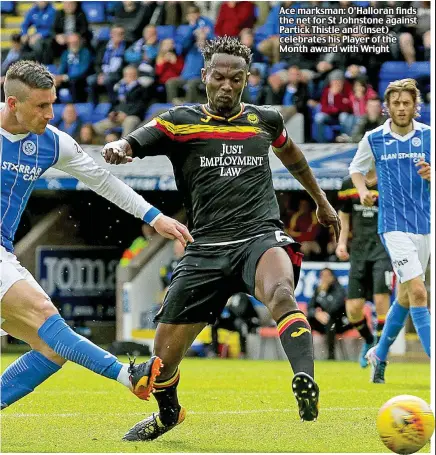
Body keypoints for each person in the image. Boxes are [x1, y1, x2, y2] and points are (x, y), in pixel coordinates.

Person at [102, 36, 341, 440]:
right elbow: (134, 140)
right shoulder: (179, 120)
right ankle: (168, 414)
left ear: (247, 79)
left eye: (236, 79)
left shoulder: (266, 120)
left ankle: (304, 381)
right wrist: (119, 147)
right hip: (205, 250)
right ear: (204, 76)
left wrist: (320, 201)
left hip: (259, 237)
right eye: (219, 77)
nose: (227, 86)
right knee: (161, 362)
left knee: (282, 292)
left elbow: (294, 157)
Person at [0, 61, 193, 413]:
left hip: (4, 252)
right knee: (46, 316)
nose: (51, 114)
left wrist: (155, 216)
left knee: (52, 348)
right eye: (42, 106)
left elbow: (102, 181)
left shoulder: (52, 143)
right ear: (13, 104)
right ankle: (126, 375)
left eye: (53, 103)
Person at [349, 78, 430, 383]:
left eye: (406, 102)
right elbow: (356, 170)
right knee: (419, 292)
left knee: (407, 297)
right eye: (395, 103)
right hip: (393, 226)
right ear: (387, 106)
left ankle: (379, 355)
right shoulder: (374, 138)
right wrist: (361, 191)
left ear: (414, 106)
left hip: (426, 225)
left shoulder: (429, 136)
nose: (400, 108)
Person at [336, 169, 392, 368]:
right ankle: (369, 339)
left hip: (383, 250)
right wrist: (341, 243)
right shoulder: (348, 184)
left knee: (380, 300)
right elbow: (343, 217)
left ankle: (379, 349)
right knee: (352, 310)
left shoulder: (388, 179)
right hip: (358, 253)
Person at [306, 268, 352, 360]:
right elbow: (310, 307)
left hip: (341, 323)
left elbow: (334, 308)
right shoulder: (319, 289)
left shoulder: (339, 289)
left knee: (330, 321)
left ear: (332, 277)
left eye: (327, 275)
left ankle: (331, 356)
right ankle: (308, 355)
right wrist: (316, 314)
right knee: (307, 321)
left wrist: (323, 294)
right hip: (324, 323)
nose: (324, 278)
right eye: (322, 276)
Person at [210, 293, 260, 358]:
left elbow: (241, 312)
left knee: (240, 324)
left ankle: (243, 352)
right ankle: (215, 352)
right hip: (234, 321)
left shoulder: (241, 295)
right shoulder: (228, 295)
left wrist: (229, 306)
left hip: (248, 323)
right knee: (215, 324)